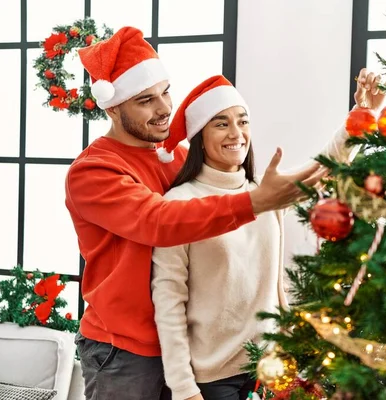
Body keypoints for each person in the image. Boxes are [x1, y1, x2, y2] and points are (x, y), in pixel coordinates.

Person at [65, 26, 326, 400]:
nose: (164, 109)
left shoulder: (179, 158)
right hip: (125, 351)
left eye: (166, 92)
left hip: (189, 351)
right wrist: (255, 203)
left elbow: (228, 200)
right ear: (112, 105)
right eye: (145, 100)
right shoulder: (93, 171)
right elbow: (159, 221)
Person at [151, 69, 385, 400]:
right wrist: (184, 388)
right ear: (199, 136)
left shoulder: (263, 191)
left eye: (243, 121)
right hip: (213, 380)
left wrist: (364, 114)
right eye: (221, 123)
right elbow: (168, 303)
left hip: (273, 369)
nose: (237, 133)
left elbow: (323, 169)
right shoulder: (179, 203)